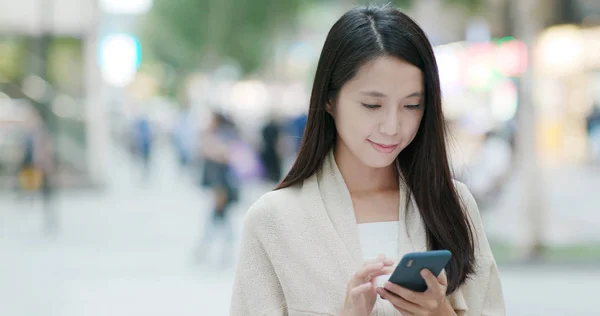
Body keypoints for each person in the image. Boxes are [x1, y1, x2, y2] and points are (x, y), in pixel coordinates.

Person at [231, 6, 505, 316]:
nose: (392, 126)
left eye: (412, 105)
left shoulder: (453, 204)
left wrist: (440, 311)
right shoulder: (273, 221)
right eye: (372, 105)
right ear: (329, 99)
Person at [195, 112, 240, 265]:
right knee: (219, 219)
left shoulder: (222, 136)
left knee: (218, 219)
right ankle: (212, 251)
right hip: (219, 186)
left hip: (222, 186)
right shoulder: (216, 135)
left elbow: (223, 155)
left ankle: (210, 250)